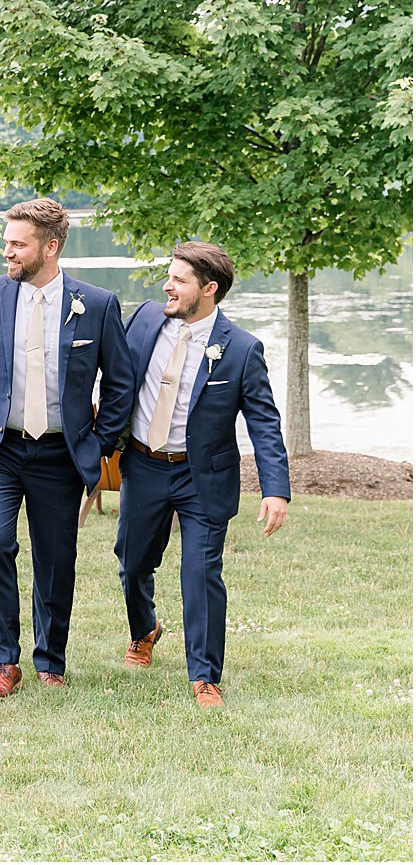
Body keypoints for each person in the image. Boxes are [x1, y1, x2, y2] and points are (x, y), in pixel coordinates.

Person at [0, 198, 133, 701]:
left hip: (59, 455)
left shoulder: (96, 303)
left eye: (17, 244)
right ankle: (4, 662)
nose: (7, 252)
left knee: (56, 558)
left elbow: (120, 384)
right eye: (6, 242)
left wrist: (98, 442)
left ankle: (51, 660)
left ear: (49, 248)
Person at [115, 241, 290, 708]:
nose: (167, 286)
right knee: (132, 564)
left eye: (180, 279)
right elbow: (115, 381)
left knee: (200, 573)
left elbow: (264, 422)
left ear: (209, 289)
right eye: (168, 275)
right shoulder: (144, 320)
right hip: (144, 464)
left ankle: (205, 676)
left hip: (202, 478)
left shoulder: (242, 350)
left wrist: (275, 489)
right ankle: (145, 628)